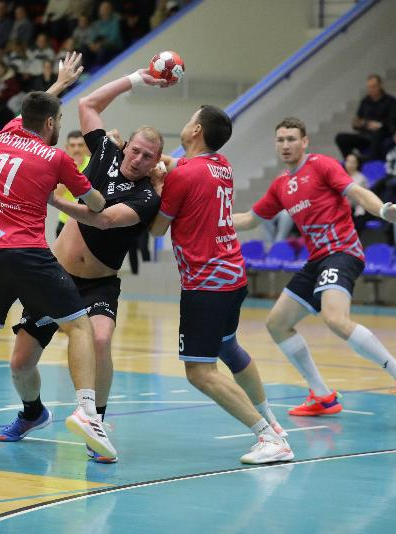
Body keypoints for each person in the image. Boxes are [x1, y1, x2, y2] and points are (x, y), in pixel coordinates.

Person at [1, 65, 169, 464]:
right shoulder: (106, 151)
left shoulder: (147, 197)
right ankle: (32, 413)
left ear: (156, 163)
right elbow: (88, 104)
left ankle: (96, 424)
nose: (138, 159)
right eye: (135, 150)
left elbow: (104, 219)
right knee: (20, 364)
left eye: (148, 157)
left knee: (100, 340)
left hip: (98, 285)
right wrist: (138, 78)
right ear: (125, 146)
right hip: (53, 276)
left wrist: (54, 199)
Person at [0, 53, 114, 467]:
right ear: (50, 124)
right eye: (58, 120)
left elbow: (35, 108)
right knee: (79, 326)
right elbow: (96, 203)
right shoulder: (56, 158)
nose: (59, 126)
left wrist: (59, 83)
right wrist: (94, 194)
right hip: (28, 256)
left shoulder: (4, 136)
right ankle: (87, 412)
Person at [232, 117, 396, 419]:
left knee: (335, 318)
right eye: (280, 140)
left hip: (342, 251)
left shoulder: (322, 165)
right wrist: (209, 217)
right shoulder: (280, 185)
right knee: (277, 323)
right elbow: (249, 219)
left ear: (304, 141)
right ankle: (322, 396)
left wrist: (383, 209)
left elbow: (357, 193)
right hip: (316, 260)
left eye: (291, 139)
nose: (285, 145)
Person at [150, 105, 293, 465]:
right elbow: (180, 165)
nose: (185, 123)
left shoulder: (184, 176)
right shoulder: (220, 165)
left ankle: (268, 436)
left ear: (196, 129)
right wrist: (147, 154)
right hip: (232, 275)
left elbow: (156, 229)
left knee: (199, 372)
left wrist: (156, 186)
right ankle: (273, 422)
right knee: (229, 347)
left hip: (205, 283)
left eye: (189, 119)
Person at [334, 74, 395, 160]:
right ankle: (352, 160)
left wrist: (380, 125)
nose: (371, 89)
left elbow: (394, 122)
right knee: (340, 138)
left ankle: (369, 160)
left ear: (380, 85)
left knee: (378, 132)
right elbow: (356, 121)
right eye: (369, 87)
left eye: (374, 86)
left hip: (382, 134)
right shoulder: (365, 101)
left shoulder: (390, 101)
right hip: (365, 135)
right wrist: (365, 124)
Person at [55, 130, 91, 237]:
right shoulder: (60, 165)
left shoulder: (93, 163)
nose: (76, 149)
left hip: (88, 222)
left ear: (86, 147)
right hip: (65, 221)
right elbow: (56, 194)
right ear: (67, 148)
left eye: (80, 145)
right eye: (73, 145)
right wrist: (72, 171)